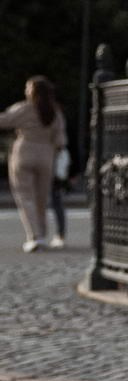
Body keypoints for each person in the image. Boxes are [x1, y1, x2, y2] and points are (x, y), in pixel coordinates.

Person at [3, 77, 68, 253]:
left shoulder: (25, 108)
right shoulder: (55, 112)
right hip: (46, 155)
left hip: (24, 152)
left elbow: (4, 120)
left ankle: (34, 236)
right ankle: (42, 234)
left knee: (25, 197)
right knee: (41, 199)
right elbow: (60, 139)